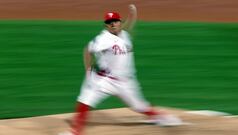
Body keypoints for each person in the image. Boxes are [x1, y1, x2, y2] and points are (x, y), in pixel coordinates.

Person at [59, 4, 182, 135]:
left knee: (139, 106)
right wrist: (88, 70)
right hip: (103, 80)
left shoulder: (125, 35)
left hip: (125, 82)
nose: (113, 24)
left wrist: (133, 15)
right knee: (85, 99)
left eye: (115, 21)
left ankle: (158, 117)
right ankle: (75, 131)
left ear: (119, 22)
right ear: (106, 25)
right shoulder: (103, 39)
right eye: (109, 22)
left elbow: (128, 27)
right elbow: (87, 50)